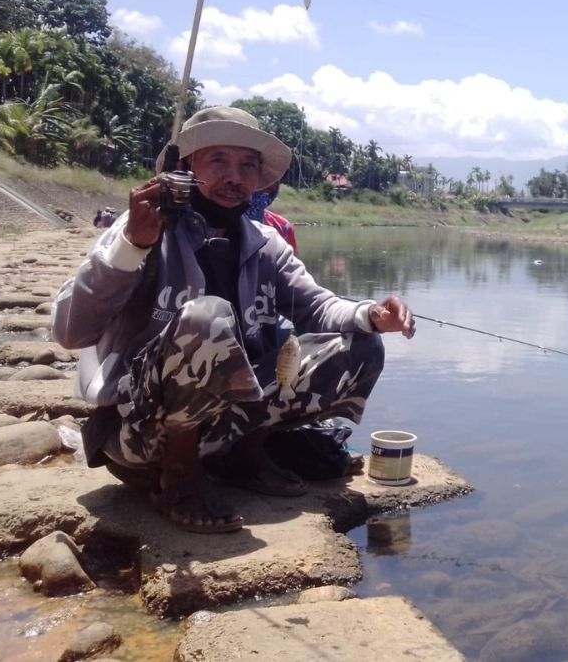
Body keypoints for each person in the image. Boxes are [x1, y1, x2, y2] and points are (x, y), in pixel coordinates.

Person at [52, 107, 416, 534]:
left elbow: (317, 306)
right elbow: (69, 331)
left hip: (229, 422)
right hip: (142, 430)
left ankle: (244, 453)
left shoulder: (266, 243)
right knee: (207, 316)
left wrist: (370, 315)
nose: (235, 177)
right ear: (185, 169)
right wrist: (133, 246)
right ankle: (179, 476)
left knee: (361, 345)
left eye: (247, 166)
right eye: (218, 161)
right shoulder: (143, 230)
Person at [246, 180, 297, 253]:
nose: (263, 196)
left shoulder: (284, 227)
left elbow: (291, 260)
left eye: (268, 190)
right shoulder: (227, 223)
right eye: (258, 189)